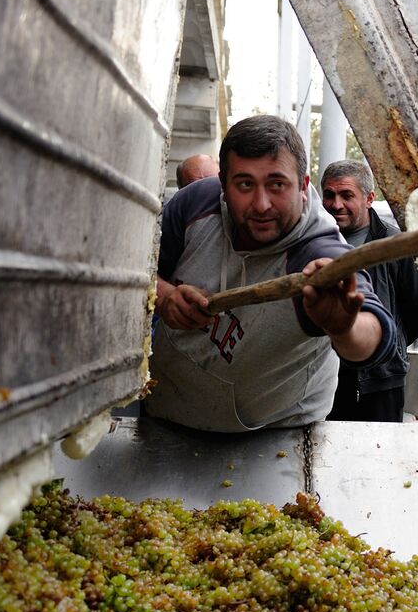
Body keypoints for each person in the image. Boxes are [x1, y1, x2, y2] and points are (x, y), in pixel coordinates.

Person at [145, 116, 396, 431]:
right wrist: (166, 297)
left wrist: (343, 327)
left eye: (277, 184)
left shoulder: (317, 254)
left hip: (274, 437)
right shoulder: (196, 203)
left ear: (303, 187)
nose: (261, 204)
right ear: (224, 185)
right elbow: (136, 269)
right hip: (165, 417)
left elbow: (375, 337)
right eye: (245, 184)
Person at [320, 159, 418, 422]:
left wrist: (384, 342)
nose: (336, 204)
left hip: (380, 381)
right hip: (324, 376)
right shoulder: (313, 242)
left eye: (346, 195)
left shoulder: (395, 246)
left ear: (369, 198)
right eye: (329, 194)